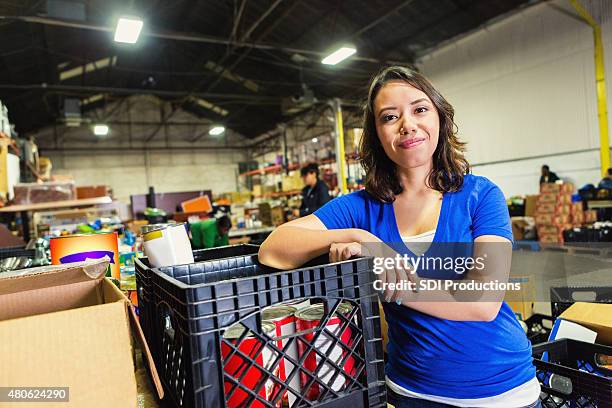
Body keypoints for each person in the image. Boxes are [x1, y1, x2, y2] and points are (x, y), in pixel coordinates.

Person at [259, 66, 540, 407]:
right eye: (390, 116)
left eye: (420, 109)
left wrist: (389, 277)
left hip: (500, 390)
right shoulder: (360, 208)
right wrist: (364, 238)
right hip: (411, 390)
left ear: (439, 118)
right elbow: (273, 250)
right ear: (376, 133)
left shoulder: (479, 196)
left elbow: (483, 301)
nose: (407, 124)